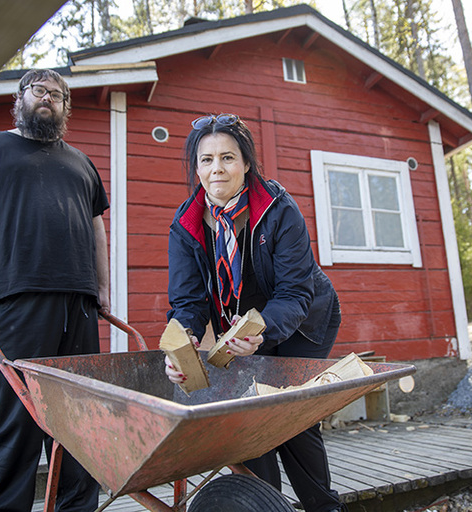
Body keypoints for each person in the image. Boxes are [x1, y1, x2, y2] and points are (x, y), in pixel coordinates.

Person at [0, 69, 108, 512]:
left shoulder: (81, 163)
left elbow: (96, 228)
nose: (48, 98)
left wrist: (102, 287)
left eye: (58, 94)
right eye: (39, 90)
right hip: (13, 303)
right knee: (12, 427)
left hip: (80, 306)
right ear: (20, 99)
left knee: (78, 426)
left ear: (66, 108)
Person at [165, 113, 344, 512]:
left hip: (302, 319)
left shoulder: (279, 210)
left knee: (290, 416)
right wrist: (183, 343)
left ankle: (324, 507)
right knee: (248, 416)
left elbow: (294, 292)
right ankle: (265, 504)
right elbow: (188, 303)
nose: (217, 169)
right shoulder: (186, 225)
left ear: (246, 163)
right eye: (206, 160)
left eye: (227, 158)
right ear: (196, 168)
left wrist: (261, 335)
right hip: (241, 328)